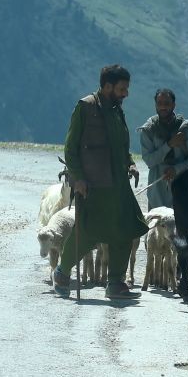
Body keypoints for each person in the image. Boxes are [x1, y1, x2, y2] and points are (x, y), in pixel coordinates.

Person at [52, 65, 149, 299]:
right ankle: (62, 272)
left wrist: (130, 163)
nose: (126, 93)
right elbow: (71, 147)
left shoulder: (117, 109)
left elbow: (120, 145)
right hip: (93, 185)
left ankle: (115, 283)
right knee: (88, 232)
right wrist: (78, 178)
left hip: (119, 185)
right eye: (122, 88)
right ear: (107, 86)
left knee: (125, 230)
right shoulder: (85, 107)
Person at [138, 88, 188, 209]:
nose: (163, 107)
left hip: (183, 183)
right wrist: (169, 145)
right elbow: (149, 161)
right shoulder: (148, 130)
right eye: (159, 103)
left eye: (167, 104)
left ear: (173, 105)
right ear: (155, 105)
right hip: (157, 187)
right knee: (158, 224)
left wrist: (176, 169)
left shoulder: (185, 128)